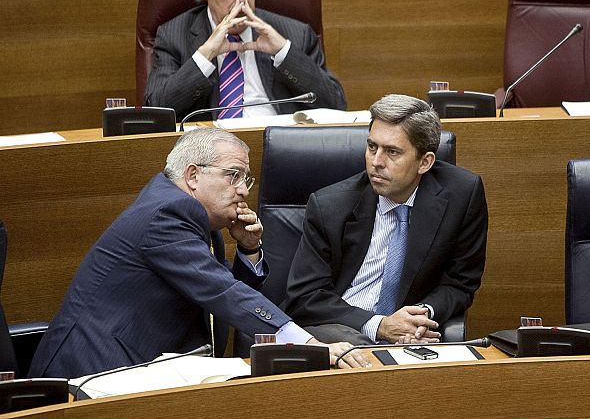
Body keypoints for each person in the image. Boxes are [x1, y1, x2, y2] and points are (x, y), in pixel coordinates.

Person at [28, 128, 367, 379]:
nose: (241, 190)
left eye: (246, 179)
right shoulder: (167, 214)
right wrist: (306, 342)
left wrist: (248, 251)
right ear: (192, 175)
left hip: (142, 366)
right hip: (91, 370)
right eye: (232, 176)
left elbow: (214, 287)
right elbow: (223, 292)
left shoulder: (197, 217)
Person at [282, 94, 488, 345]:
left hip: (410, 336)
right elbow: (305, 297)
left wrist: (420, 316)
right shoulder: (330, 206)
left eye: (392, 152)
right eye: (372, 147)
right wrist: (379, 326)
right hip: (342, 329)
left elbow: (460, 283)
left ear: (425, 162)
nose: (376, 162)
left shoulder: (462, 194)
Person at [144, 0, 345, 123]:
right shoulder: (174, 36)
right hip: (213, 149)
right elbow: (157, 112)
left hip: (279, 144)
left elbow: (336, 105)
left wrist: (283, 52)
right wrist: (205, 55)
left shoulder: (295, 34)